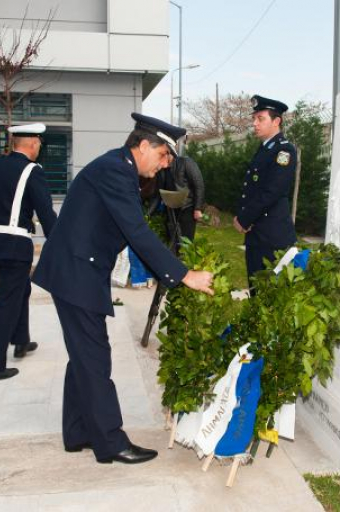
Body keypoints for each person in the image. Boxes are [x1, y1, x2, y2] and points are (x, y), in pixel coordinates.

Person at [32, 113, 214, 465]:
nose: (164, 165)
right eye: (163, 156)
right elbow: (137, 231)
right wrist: (185, 275)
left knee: (84, 355)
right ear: (144, 145)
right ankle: (110, 441)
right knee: (95, 357)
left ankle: (78, 431)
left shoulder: (118, 168)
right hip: (76, 272)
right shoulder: (116, 170)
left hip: (79, 269)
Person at [0, 123, 57, 384]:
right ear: (31, 144)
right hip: (15, 245)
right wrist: (59, 244)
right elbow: (45, 212)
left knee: (20, 289)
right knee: (7, 301)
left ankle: (21, 340)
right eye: (39, 143)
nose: (39, 147)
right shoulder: (33, 171)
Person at [233, 95, 297, 286]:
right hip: (257, 233)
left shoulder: (283, 151)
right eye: (254, 118)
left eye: (260, 119)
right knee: (255, 289)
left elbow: (272, 191)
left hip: (272, 236)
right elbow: (251, 189)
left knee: (270, 295)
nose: (255, 123)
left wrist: (244, 219)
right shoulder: (265, 149)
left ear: (276, 121)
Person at [159, 153, 205, 240]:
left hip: (187, 207)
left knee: (186, 240)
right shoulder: (161, 169)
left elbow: (199, 185)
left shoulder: (185, 162)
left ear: (169, 153)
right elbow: (158, 191)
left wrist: (197, 208)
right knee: (172, 238)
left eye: (162, 156)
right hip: (171, 210)